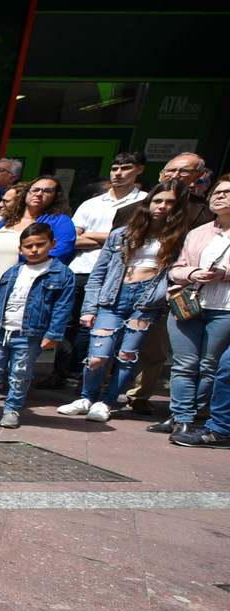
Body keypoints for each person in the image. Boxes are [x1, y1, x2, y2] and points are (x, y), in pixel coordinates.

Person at [56, 180, 191, 423]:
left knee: (128, 355)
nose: (162, 206)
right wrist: (89, 307)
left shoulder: (180, 238)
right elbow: (99, 272)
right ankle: (87, 397)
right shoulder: (122, 234)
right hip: (113, 297)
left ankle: (107, 402)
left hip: (148, 301)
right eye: (157, 200)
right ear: (148, 202)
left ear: (178, 207)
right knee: (97, 356)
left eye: (170, 202)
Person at [121, 152, 218, 416]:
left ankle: (140, 394)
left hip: (176, 287)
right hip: (130, 284)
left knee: (155, 347)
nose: (175, 176)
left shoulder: (208, 212)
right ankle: (102, 391)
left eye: (184, 171)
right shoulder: (133, 208)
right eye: (170, 171)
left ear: (200, 176)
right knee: (115, 340)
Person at [45, 152, 147, 389]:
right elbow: (72, 239)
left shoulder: (144, 202)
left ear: (139, 170)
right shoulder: (91, 204)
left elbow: (134, 238)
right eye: (115, 168)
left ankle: (87, 376)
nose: (118, 173)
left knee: (99, 325)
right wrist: (112, 238)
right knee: (68, 322)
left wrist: (94, 235)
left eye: (125, 168)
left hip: (118, 274)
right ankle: (61, 372)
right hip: (80, 269)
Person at [0, 224, 77, 429]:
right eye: (28, 246)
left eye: (40, 244)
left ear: (53, 244)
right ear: (20, 249)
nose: (34, 250)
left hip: (30, 333)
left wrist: (53, 333)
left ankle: (12, 409)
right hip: (0, 330)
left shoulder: (62, 274)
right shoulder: (13, 271)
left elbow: (63, 307)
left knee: (20, 373)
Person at [158, 175, 230, 438]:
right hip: (189, 305)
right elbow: (175, 269)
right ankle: (181, 418)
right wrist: (192, 273)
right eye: (216, 192)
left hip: (225, 309)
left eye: (227, 192)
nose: (219, 196)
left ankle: (189, 414)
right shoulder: (198, 232)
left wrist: (224, 272)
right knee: (184, 364)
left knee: (210, 365)